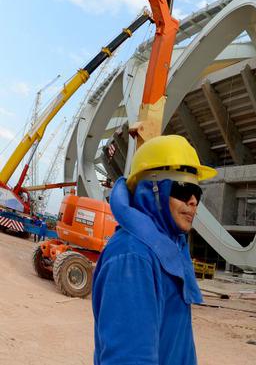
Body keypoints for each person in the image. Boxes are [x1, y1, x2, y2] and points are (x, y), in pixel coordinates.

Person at [92, 135, 217, 364]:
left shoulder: (167, 247)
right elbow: (129, 358)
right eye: (182, 189)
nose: (193, 202)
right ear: (152, 190)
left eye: (197, 193)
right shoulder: (133, 258)